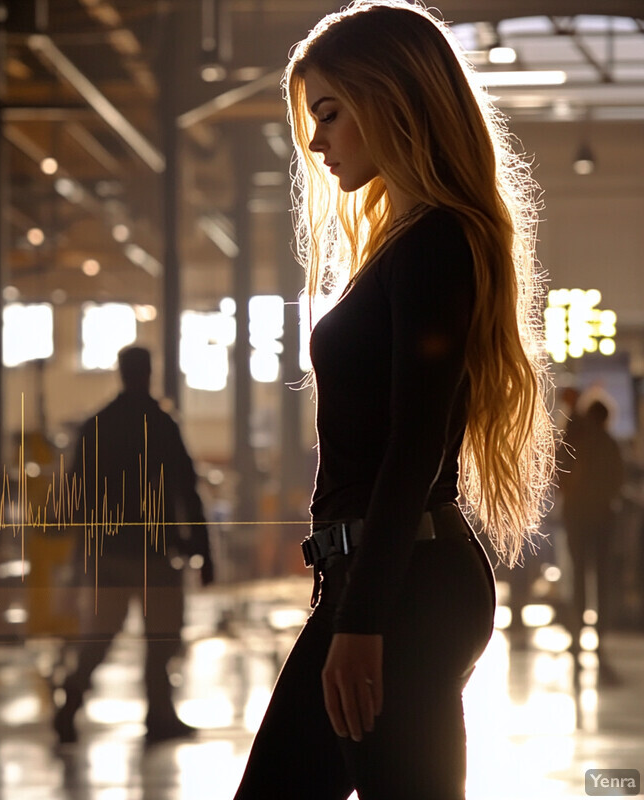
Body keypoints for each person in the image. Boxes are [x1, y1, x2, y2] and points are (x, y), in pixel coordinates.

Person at [233, 3, 555, 798]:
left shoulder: (437, 241)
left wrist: (364, 617)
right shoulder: (411, 242)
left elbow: (416, 441)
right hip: (386, 578)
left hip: (401, 584)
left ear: (396, 98)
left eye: (332, 114)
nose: (316, 142)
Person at [52, 345, 214, 746]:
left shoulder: (96, 425)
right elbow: (186, 492)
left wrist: (81, 557)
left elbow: (76, 495)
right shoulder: (162, 424)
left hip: (106, 553)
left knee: (102, 633)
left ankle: (71, 699)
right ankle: (159, 715)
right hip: (155, 553)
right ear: (149, 372)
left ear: (120, 372)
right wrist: (204, 553)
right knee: (162, 637)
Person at [560, 396, 624, 677]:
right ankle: (598, 643)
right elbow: (616, 483)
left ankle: (576, 639)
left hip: (576, 517)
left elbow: (561, 478)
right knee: (600, 581)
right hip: (602, 521)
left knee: (579, 580)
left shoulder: (578, 442)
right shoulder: (609, 444)